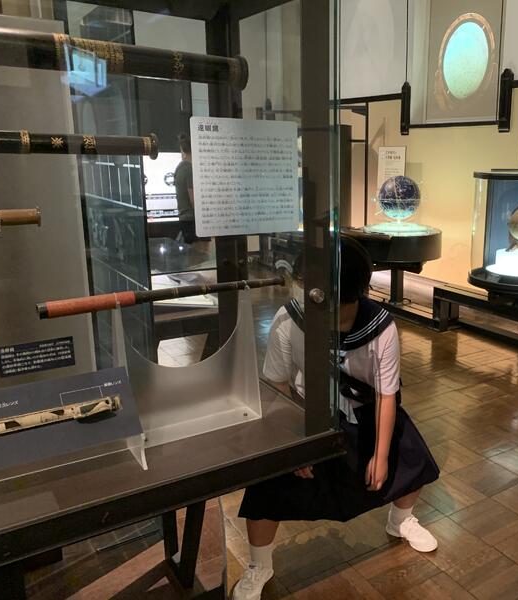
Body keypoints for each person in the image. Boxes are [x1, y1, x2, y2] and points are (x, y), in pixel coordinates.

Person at [231, 235, 440, 600]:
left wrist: (380, 455)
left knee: (411, 457)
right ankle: (259, 564)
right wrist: (296, 444)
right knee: (267, 486)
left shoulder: (381, 327)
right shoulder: (289, 319)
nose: (306, 293)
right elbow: (277, 387)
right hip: (306, 415)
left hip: (363, 412)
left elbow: (386, 395)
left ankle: (401, 521)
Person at [174, 133, 197, 245]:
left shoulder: (179, 168)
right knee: (201, 252)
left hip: (184, 218)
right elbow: (193, 199)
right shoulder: (189, 169)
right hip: (192, 219)